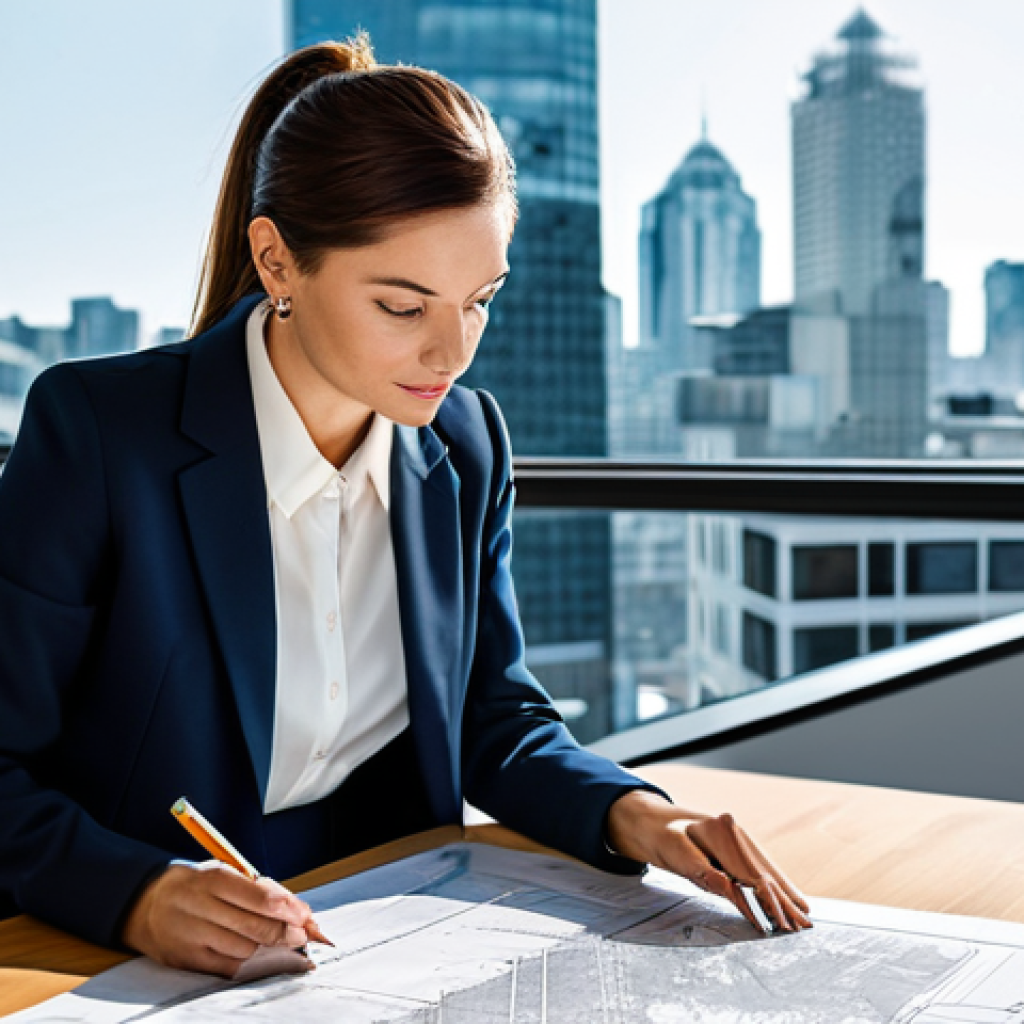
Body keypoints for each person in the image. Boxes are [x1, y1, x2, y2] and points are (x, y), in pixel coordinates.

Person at [0, 35, 810, 977]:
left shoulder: (467, 443)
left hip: (386, 938)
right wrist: (138, 894)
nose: (452, 354)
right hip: (121, 961)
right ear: (277, 261)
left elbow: (494, 718)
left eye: (480, 300)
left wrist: (637, 816)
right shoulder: (104, 433)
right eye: (403, 306)